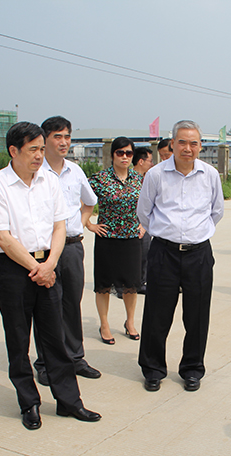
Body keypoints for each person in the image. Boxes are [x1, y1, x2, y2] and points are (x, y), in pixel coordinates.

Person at [0, 121, 101, 430]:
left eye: (40, 149)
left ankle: (69, 401)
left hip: (49, 263)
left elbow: (60, 226)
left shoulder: (49, 181)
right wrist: (38, 269)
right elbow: (3, 237)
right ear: (14, 150)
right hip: (13, 269)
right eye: (33, 149)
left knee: (54, 338)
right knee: (18, 339)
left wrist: (49, 265)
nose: (39, 155)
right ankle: (29, 403)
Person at [137, 120, 224, 392]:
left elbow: (216, 211)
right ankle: (153, 369)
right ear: (172, 144)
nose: (188, 148)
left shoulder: (210, 175)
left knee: (197, 315)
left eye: (193, 143)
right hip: (164, 253)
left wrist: (195, 233)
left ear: (200, 146)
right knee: (157, 314)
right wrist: (168, 233)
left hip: (199, 254)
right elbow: (144, 212)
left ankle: (192, 369)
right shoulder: (156, 175)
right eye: (182, 142)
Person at [31, 116, 101, 386]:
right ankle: (45, 362)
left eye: (67, 137)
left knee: (72, 304)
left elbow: (89, 202)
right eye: (57, 137)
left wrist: (80, 223)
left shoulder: (75, 171)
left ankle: (75, 358)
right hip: (45, 251)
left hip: (72, 247)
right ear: (45, 139)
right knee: (46, 307)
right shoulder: (35, 171)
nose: (63, 142)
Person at [87, 137, 144, 345]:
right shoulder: (99, 179)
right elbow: (81, 201)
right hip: (107, 239)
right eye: (120, 153)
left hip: (131, 238)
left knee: (131, 285)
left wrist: (144, 225)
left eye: (129, 153)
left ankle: (130, 322)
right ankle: (104, 325)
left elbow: (151, 204)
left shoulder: (139, 180)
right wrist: (89, 224)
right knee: (103, 285)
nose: (124, 157)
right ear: (112, 155)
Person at [133, 146, 155, 294]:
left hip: (144, 225)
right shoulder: (131, 180)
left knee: (145, 254)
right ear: (141, 161)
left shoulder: (146, 179)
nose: (151, 164)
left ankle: (141, 281)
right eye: (150, 161)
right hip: (131, 225)